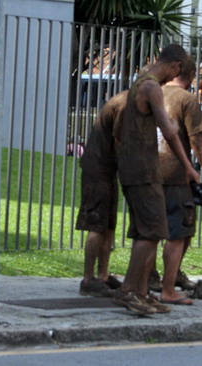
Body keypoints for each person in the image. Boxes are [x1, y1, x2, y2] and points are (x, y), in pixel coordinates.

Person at [113, 44, 200, 315]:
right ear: (175, 66)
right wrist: (188, 166)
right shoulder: (151, 87)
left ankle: (141, 292)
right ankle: (130, 292)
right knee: (150, 232)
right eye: (177, 70)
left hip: (136, 168)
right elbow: (170, 132)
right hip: (143, 170)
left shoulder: (139, 82)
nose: (172, 78)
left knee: (150, 231)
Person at [151, 55, 202, 305]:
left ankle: (150, 276)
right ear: (190, 76)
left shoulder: (152, 91)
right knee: (179, 230)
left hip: (149, 170)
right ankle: (170, 285)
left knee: (151, 229)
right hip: (175, 173)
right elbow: (196, 141)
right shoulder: (187, 99)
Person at [75, 91, 128, 297]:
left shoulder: (126, 101)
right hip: (98, 168)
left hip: (108, 168)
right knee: (97, 223)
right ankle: (88, 278)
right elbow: (120, 141)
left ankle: (103, 275)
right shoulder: (125, 105)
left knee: (109, 224)